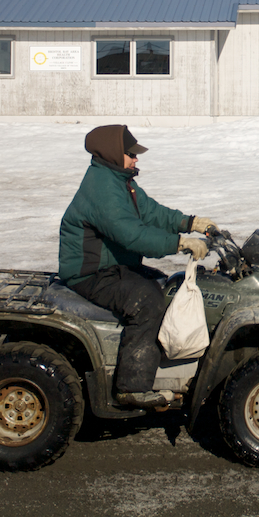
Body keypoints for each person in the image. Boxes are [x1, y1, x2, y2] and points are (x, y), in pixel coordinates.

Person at [58, 124, 217, 409]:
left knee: (164, 285)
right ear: (112, 153)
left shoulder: (119, 180)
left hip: (114, 266)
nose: (136, 159)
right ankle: (131, 387)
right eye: (130, 153)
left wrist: (189, 222)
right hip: (90, 273)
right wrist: (180, 243)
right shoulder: (102, 189)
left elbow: (150, 211)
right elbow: (132, 235)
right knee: (147, 302)